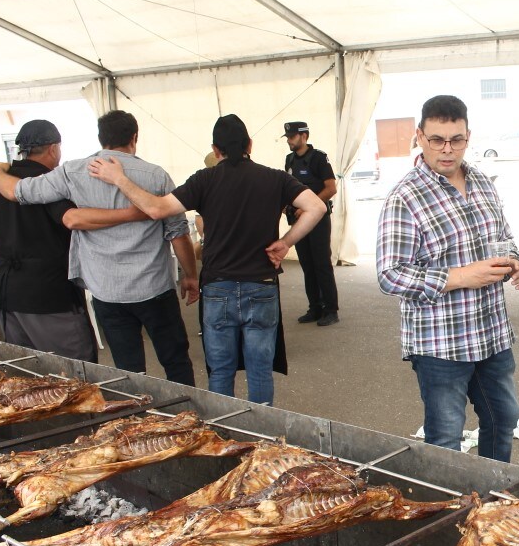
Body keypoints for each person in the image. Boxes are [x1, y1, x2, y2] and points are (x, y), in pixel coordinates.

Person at [87, 114, 326, 407]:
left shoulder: (204, 179)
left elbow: (157, 208)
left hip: (218, 289)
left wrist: (119, 178)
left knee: (221, 370)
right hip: (261, 285)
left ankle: (222, 436)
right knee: (260, 369)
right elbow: (316, 207)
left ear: (215, 150)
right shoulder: (275, 177)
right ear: (250, 144)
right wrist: (286, 242)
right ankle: (263, 437)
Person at [0, 110, 198, 386]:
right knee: (175, 360)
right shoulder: (156, 175)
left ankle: (136, 420)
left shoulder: (72, 173)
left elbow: (20, 192)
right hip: (154, 287)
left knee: (127, 369)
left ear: (101, 138)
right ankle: (185, 418)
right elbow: (178, 233)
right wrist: (191, 276)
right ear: (134, 138)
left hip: (105, 291)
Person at [377, 95, 519, 463]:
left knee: (503, 417)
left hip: (491, 333)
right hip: (441, 343)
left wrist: (515, 260)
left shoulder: (482, 183)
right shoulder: (405, 197)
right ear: (420, 137)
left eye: (456, 139)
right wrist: (459, 276)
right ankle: (451, 514)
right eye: (437, 140)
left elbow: (504, 237)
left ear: (468, 136)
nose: (447, 150)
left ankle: (492, 498)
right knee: (445, 436)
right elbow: (389, 274)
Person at [0, 120, 141, 362]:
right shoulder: (50, 182)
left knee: (27, 376)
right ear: (53, 149)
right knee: (75, 375)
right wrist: (132, 213)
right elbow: (73, 219)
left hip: (8, 295)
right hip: (50, 295)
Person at [283, 121, 339, 327]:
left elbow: (331, 188)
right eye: (287, 137)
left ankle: (330, 309)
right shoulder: (289, 160)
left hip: (317, 219)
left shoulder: (318, 158)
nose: (289, 140)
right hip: (297, 220)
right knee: (306, 264)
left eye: (292, 136)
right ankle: (314, 307)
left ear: (304, 136)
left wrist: (310, 207)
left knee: (321, 264)